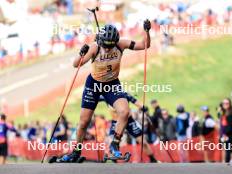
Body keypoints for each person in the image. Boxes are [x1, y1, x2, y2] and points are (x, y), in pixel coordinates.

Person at [60, 20, 151, 162]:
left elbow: (144, 45)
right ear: (100, 40)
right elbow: (75, 64)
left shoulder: (121, 44)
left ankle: (114, 145)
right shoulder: (94, 48)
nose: (108, 49)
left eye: (111, 46)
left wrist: (147, 32)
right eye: (105, 46)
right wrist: (81, 53)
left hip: (112, 84)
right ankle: (76, 151)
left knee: (125, 112)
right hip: (94, 84)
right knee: (84, 122)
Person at [101, 92, 159, 163]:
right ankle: (114, 159)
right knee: (112, 142)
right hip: (116, 122)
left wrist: (143, 107)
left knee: (143, 142)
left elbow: (136, 102)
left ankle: (153, 159)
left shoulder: (124, 94)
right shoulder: (106, 96)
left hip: (129, 121)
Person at [220, 98, 232, 163]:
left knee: (229, 151)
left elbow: (229, 126)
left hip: (230, 134)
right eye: (224, 103)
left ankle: (227, 167)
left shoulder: (230, 113)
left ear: (230, 104)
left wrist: (224, 135)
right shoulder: (224, 112)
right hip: (227, 133)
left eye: (227, 103)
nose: (225, 105)